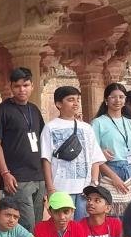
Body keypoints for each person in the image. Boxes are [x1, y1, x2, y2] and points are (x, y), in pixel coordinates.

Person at [40, 86, 113, 220]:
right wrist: (50, 188)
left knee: (82, 225)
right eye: (70, 100)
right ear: (59, 104)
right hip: (60, 187)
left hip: (84, 189)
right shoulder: (50, 127)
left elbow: (94, 158)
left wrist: (93, 183)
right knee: (63, 224)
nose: (76, 103)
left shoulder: (87, 128)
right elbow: (46, 159)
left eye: (78, 100)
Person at [0, 67, 47, 233]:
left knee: (37, 226)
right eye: (17, 86)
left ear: (32, 86)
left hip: (38, 177)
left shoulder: (34, 109)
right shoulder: (3, 109)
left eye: (25, 85)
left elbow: (43, 141)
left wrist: (47, 178)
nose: (22, 90)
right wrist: (5, 173)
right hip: (17, 179)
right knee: (26, 226)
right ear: (11, 87)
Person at [91, 83, 131, 209]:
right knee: (111, 210)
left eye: (121, 97)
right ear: (106, 100)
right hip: (110, 170)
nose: (117, 100)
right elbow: (95, 156)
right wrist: (114, 177)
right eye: (113, 97)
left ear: (125, 100)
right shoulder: (98, 123)